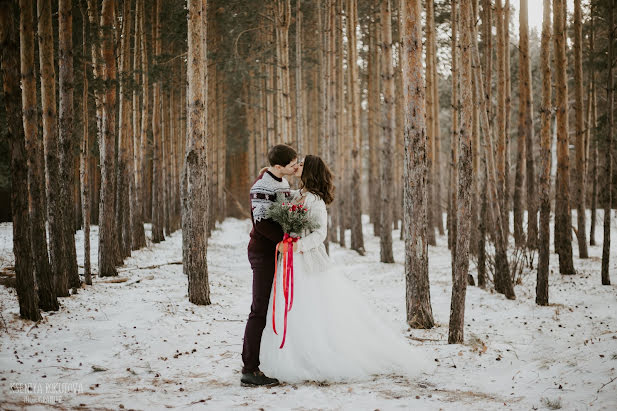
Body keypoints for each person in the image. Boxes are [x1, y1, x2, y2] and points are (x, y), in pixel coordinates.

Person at [259, 155, 435, 383]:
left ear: (310, 170)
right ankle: (293, 356)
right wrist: (270, 173)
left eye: (301, 164)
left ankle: (315, 358)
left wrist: (295, 246)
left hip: (306, 262)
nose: (297, 166)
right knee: (291, 311)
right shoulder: (299, 194)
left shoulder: (315, 201)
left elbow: (320, 235)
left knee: (308, 311)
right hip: (290, 262)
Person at [241, 144, 298, 387]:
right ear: (278, 167)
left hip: (278, 251)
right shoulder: (262, 186)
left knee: (273, 308)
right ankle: (249, 369)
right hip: (264, 254)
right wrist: (285, 240)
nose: (296, 166)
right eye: (292, 164)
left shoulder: (282, 182)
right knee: (259, 310)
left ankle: (270, 360)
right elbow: (262, 223)